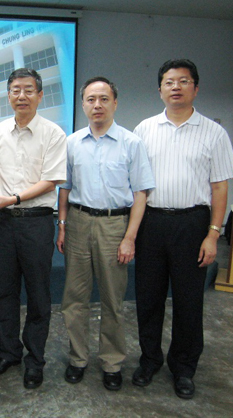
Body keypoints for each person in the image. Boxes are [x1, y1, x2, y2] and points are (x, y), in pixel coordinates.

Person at [133, 59, 233, 399]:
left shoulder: (214, 133)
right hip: (151, 222)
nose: (175, 87)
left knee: (188, 300)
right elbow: (135, 184)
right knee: (148, 297)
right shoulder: (144, 129)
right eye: (169, 82)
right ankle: (149, 359)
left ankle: (183, 367)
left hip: (193, 224)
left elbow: (220, 187)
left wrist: (213, 233)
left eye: (183, 81)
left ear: (195, 87)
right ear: (160, 90)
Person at [56, 77, 155, 391]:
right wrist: (62, 225)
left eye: (103, 99)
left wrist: (130, 237)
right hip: (78, 222)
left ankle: (112, 363)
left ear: (115, 102)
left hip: (115, 225)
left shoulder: (131, 143)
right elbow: (65, 188)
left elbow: (140, 193)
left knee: (113, 299)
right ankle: (78, 358)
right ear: (83, 104)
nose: (97, 105)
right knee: (74, 298)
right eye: (90, 99)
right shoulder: (72, 143)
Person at [0, 68, 67, 389]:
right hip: (2, 223)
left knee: (38, 293)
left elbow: (52, 180)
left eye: (29, 90)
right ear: (8, 95)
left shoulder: (53, 133)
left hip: (36, 222)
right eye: (16, 90)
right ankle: (8, 352)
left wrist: (15, 197)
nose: (22, 96)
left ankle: (35, 360)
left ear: (40, 95)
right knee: (3, 291)